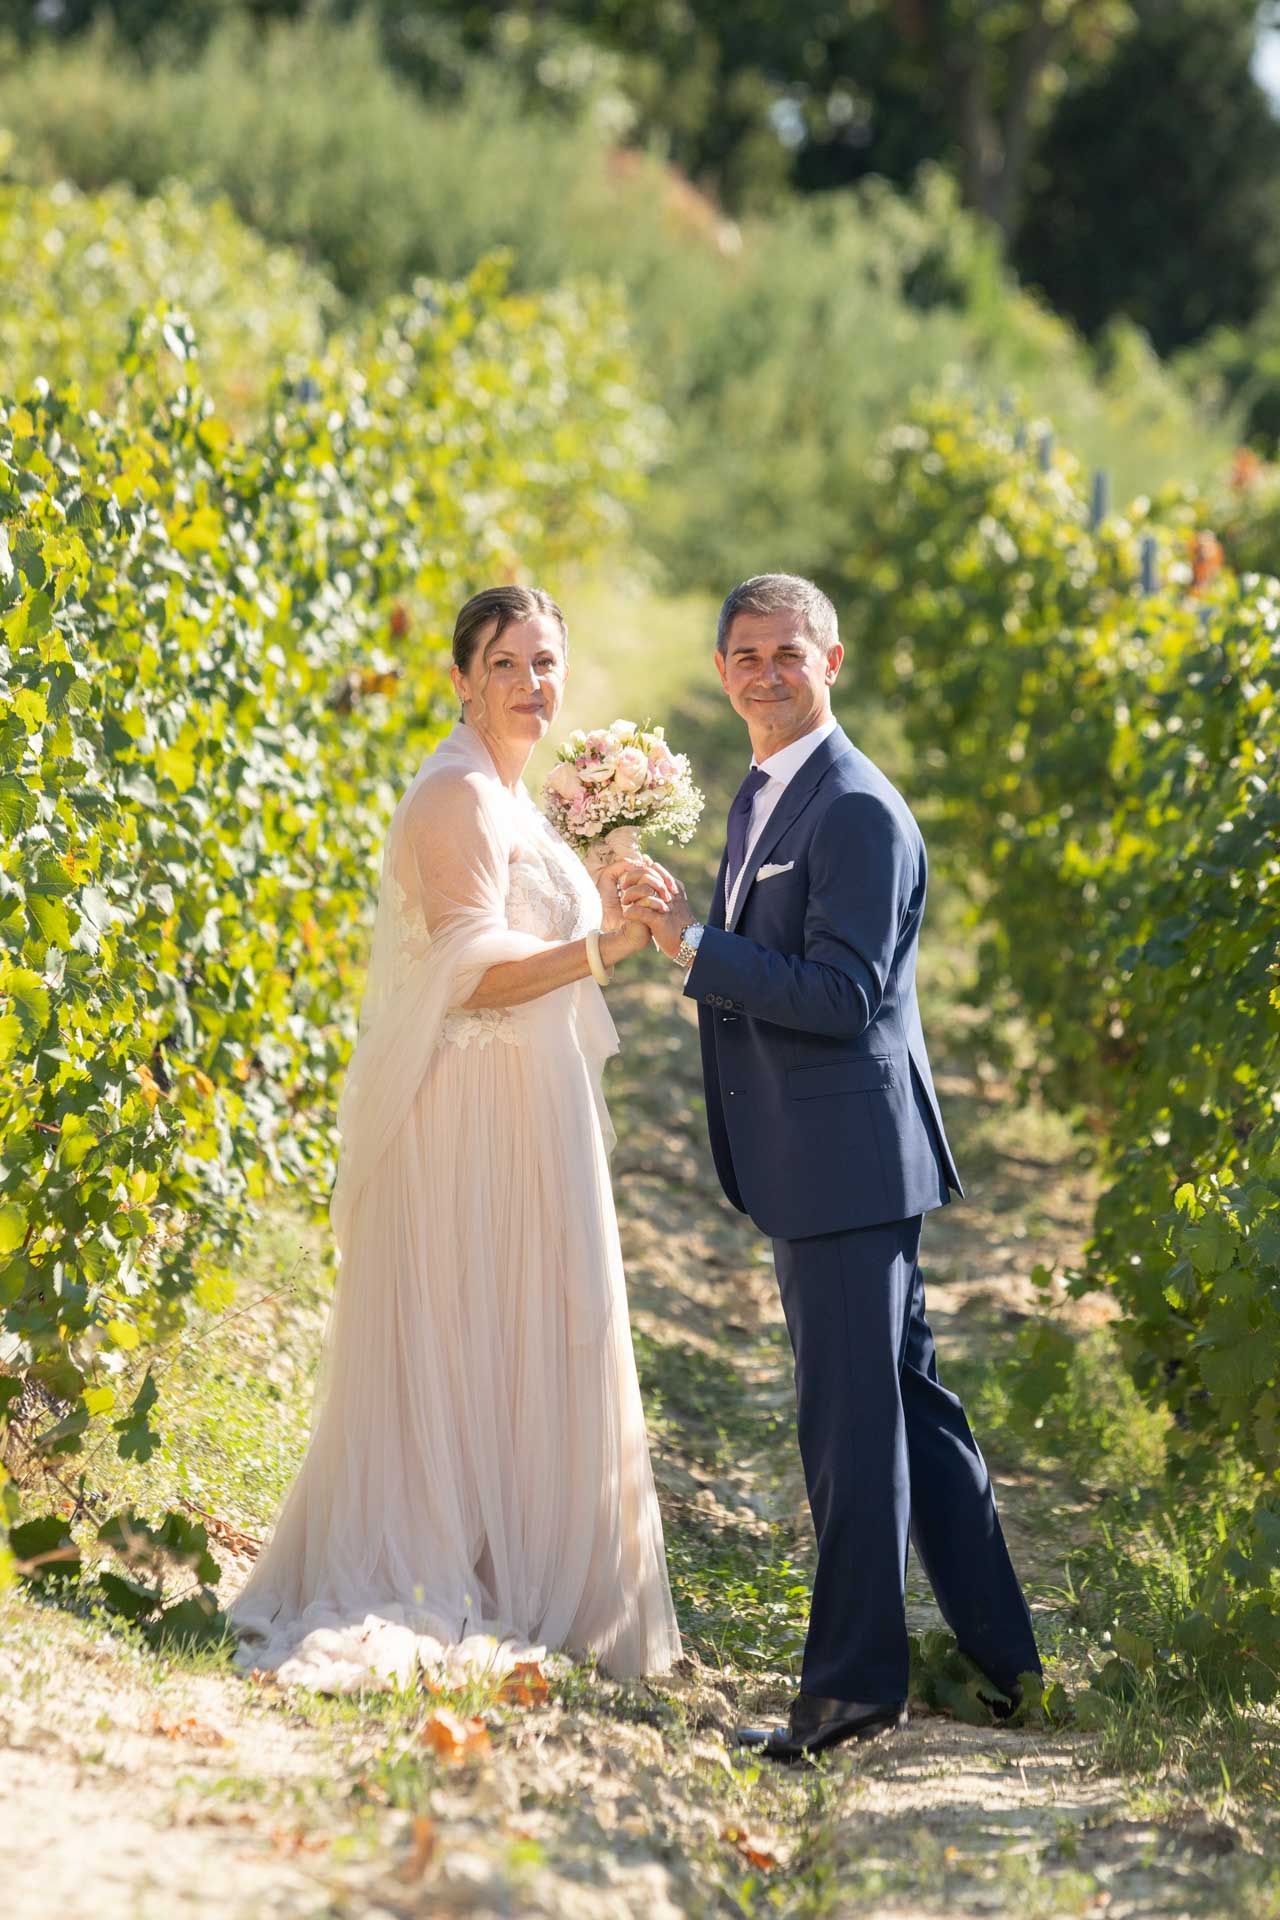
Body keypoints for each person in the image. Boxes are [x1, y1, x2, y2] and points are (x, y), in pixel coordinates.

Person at [227, 585, 682, 1693]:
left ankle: (533, 1569)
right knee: (474, 1327)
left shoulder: (511, 798)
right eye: (509, 664)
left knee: (528, 1328)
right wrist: (601, 950)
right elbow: (469, 981)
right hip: (471, 1115)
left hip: (533, 1105)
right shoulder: (454, 797)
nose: (533, 684)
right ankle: (444, 1573)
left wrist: (615, 890)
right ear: (463, 678)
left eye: (545, 664)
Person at [622, 572, 1041, 1761]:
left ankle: (851, 1688)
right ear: (720, 671)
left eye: (787, 655)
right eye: (745, 655)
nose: (765, 673)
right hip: (826, 1157)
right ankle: (1005, 1668)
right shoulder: (766, 793)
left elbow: (843, 995)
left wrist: (692, 947)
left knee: (849, 1435)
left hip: (847, 1164)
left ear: (831, 662)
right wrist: (683, 924)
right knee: (909, 1414)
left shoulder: (853, 807)